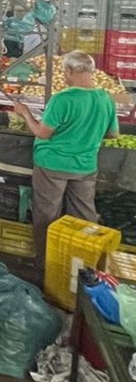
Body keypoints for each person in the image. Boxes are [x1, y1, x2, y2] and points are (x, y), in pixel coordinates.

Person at [13, 51, 119, 265]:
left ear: (69, 71)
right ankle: (85, 261)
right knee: (84, 215)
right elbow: (113, 134)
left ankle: (45, 262)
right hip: (85, 165)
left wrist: (25, 113)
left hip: (53, 164)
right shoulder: (105, 98)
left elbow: (43, 132)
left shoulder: (62, 99)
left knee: (47, 213)